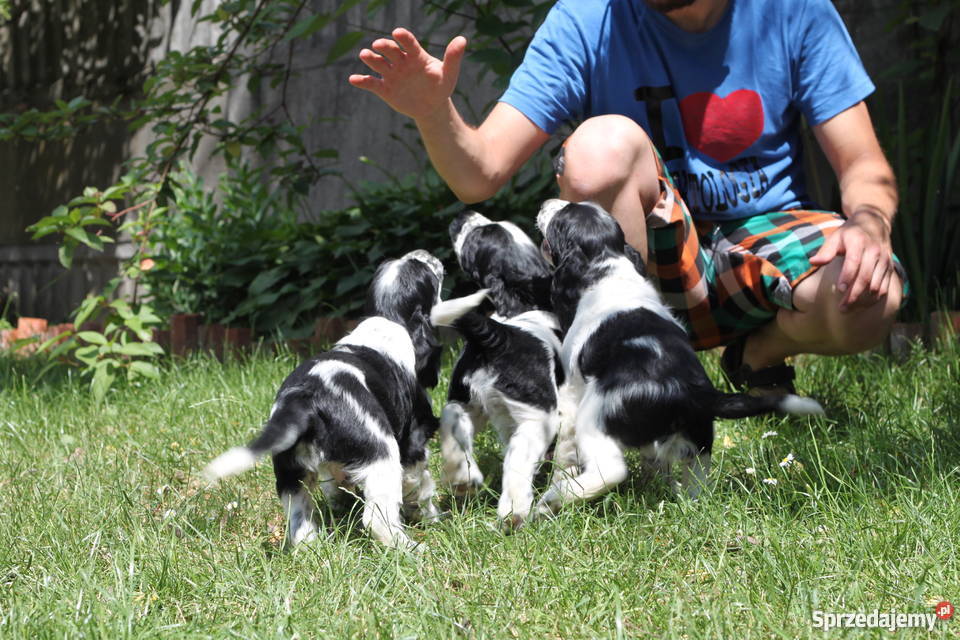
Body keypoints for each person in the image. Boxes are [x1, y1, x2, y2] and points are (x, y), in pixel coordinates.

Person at [348, 0, 906, 395]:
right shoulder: (588, 18)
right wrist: (432, 113)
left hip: (763, 242)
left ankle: (758, 354)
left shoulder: (794, 11)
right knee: (598, 149)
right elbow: (481, 173)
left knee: (869, 294)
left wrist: (870, 225)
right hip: (650, 259)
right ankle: (633, 381)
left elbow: (863, 165)